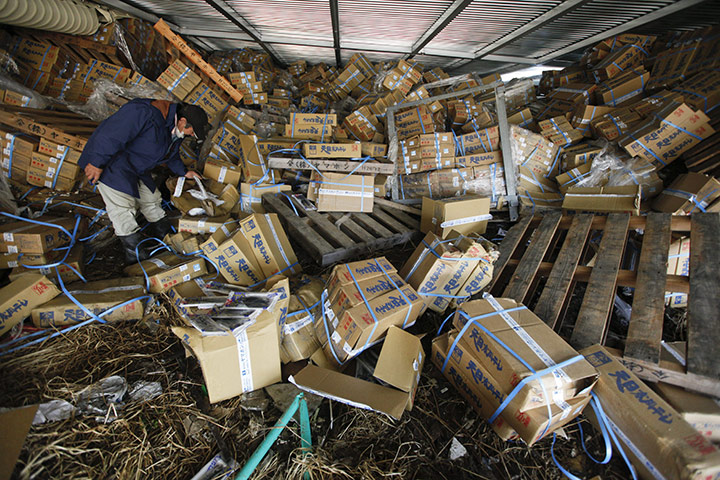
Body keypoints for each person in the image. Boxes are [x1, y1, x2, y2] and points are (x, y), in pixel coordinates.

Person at [78, 99, 210, 263]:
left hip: (137, 168)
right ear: (183, 121)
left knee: (152, 200)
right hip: (113, 165)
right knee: (123, 210)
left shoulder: (174, 129)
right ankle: (135, 257)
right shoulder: (143, 112)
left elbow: (171, 154)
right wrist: (97, 162)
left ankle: (166, 240)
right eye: (192, 131)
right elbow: (111, 134)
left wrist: (184, 172)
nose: (191, 135)